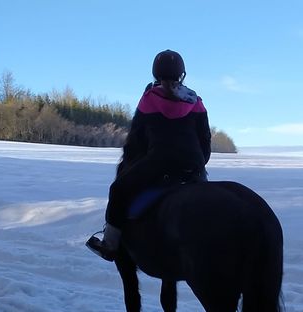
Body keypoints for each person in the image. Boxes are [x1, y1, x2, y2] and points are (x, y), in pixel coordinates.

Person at [86, 49, 212, 261]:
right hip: (193, 167)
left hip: (157, 165)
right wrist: (199, 164)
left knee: (118, 190)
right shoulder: (196, 101)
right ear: (182, 74)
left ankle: (110, 245)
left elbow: (135, 141)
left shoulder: (149, 99)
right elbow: (205, 140)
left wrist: (135, 163)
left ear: (155, 74)